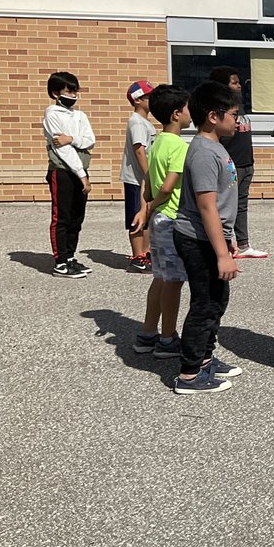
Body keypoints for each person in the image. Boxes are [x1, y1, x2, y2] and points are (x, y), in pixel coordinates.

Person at [171, 81, 245, 394]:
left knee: (217, 300)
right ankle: (189, 375)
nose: (237, 120)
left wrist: (227, 238)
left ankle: (204, 359)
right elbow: (206, 207)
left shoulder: (216, 147)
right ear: (213, 117)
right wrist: (221, 255)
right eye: (233, 114)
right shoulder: (202, 152)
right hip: (197, 239)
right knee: (204, 304)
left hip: (212, 238)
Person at [132, 85, 191, 360]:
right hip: (171, 219)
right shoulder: (179, 146)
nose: (191, 114)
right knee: (174, 281)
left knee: (160, 278)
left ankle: (147, 333)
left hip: (158, 219)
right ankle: (168, 338)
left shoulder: (156, 143)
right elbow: (167, 188)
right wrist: (154, 205)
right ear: (178, 113)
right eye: (188, 108)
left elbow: (147, 184)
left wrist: (146, 208)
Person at [42, 71, 96, 278]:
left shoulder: (80, 115)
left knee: (77, 216)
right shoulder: (52, 114)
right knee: (61, 217)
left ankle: (71, 256)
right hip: (62, 171)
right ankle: (60, 262)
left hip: (81, 169)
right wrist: (82, 175)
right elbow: (61, 148)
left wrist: (72, 138)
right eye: (68, 91)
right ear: (56, 93)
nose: (73, 95)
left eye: (75, 91)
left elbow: (89, 140)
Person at [209, 66, 267, 258]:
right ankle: (221, 243)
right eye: (234, 82)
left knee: (241, 204)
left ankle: (243, 244)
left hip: (246, 163)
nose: (239, 86)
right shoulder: (220, 110)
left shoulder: (240, 107)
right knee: (224, 205)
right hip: (231, 164)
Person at [121, 79, 156, 271]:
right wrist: (148, 175)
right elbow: (139, 150)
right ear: (137, 100)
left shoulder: (145, 122)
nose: (151, 100)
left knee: (148, 215)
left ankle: (147, 252)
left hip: (144, 180)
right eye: (148, 97)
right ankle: (138, 255)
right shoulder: (136, 122)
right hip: (136, 179)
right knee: (137, 216)